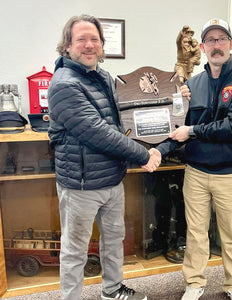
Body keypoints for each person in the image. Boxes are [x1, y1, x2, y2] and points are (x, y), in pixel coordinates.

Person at [48, 14, 161, 300]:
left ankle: (112, 290)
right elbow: (97, 132)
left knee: (114, 240)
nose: (89, 45)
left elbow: (130, 111)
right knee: (75, 250)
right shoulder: (64, 84)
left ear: (102, 45)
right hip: (81, 185)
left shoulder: (104, 77)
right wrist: (143, 154)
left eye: (94, 39)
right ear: (67, 46)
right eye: (81, 39)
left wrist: (176, 98)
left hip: (112, 178)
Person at [156, 18, 232, 300]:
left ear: (231, 44)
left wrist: (193, 130)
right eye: (210, 40)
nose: (216, 45)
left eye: (221, 39)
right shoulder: (193, 85)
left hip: (229, 173)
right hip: (196, 172)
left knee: (230, 234)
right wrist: (159, 146)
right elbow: (179, 127)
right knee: (196, 233)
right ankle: (194, 283)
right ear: (202, 47)